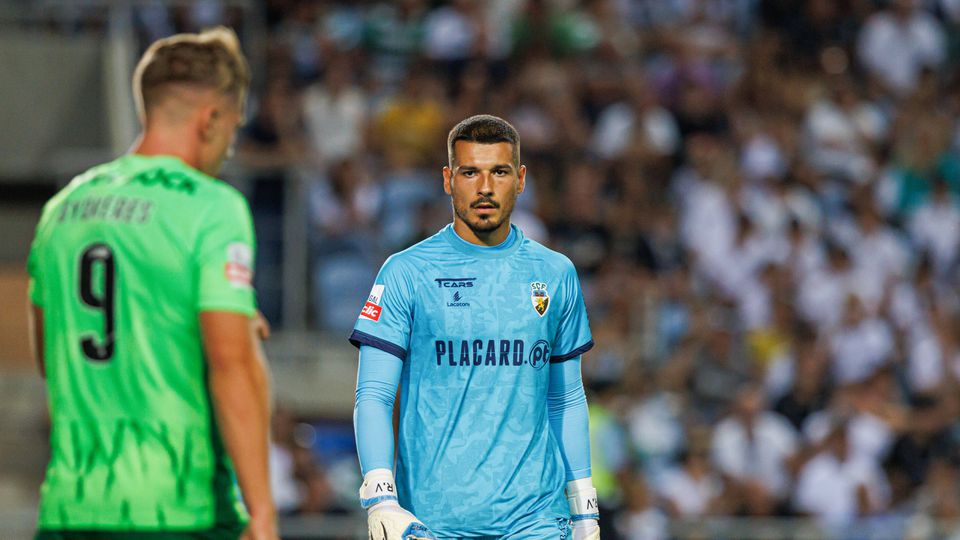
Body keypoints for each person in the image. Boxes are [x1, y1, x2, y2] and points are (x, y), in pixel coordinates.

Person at [26, 28, 277, 540]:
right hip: (178, 510)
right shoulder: (211, 207)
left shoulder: (62, 208)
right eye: (233, 127)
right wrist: (263, 513)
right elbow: (233, 368)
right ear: (210, 120)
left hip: (70, 510)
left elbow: (52, 357)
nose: (230, 146)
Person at [351, 114, 599, 539]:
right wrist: (380, 496)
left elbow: (566, 399)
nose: (485, 188)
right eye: (471, 172)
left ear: (520, 179)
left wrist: (584, 509)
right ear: (448, 179)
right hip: (433, 523)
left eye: (499, 172)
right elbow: (373, 395)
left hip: (537, 520)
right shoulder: (406, 272)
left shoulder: (555, 273)